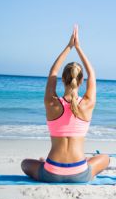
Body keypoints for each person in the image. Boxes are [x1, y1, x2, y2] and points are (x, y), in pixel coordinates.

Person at [21, 25, 109, 183]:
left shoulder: (51, 103)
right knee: (105, 158)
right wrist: (78, 48)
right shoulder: (87, 104)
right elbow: (92, 73)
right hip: (79, 172)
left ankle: (44, 163)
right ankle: (84, 161)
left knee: (25, 163)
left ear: (62, 79)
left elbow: (52, 72)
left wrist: (69, 47)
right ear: (81, 80)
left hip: (51, 172)